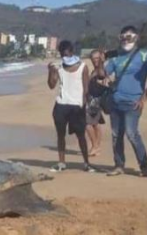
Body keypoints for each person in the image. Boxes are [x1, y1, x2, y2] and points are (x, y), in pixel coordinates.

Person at [105, 25, 147, 177]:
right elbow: (103, 74)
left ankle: (144, 167)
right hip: (115, 101)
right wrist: (101, 60)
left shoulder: (145, 55)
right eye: (122, 37)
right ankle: (118, 165)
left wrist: (144, 96)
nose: (125, 40)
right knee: (116, 135)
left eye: (128, 37)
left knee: (132, 134)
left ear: (136, 38)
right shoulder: (115, 57)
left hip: (133, 102)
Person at [47, 40, 95, 172]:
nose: (65, 56)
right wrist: (51, 71)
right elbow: (51, 85)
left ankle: (87, 163)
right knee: (60, 135)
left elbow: (86, 89)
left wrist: (85, 105)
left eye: (67, 53)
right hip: (61, 105)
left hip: (76, 106)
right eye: (62, 54)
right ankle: (61, 163)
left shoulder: (83, 67)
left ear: (72, 52)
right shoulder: (59, 67)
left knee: (81, 135)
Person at [86, 49, 108, 156]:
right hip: (92, 100)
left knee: (87, 124)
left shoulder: (101, 70)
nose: (95, 60)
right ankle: (97, 147)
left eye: (97, 58)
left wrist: (101, 63)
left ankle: (95, 146)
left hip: (96, 101)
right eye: (93, 58)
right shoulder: (94, 70)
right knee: (95, 124)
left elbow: (102, 75)